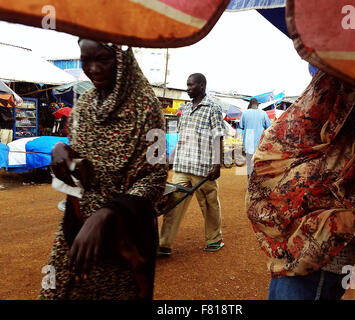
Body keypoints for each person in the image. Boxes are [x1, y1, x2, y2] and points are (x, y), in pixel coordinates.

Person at [38, 39, 168, 300]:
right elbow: (78, 164)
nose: (94, 69)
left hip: (124, 241)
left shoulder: (147, 109)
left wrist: (107, 214)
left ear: (121, 59)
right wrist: (61, 152)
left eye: (103, 59)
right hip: (76, 229)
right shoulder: (83, 107)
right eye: (86, 60)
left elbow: (156, 178)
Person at [246, 70, 355, 300]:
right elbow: (262, 192)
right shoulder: (284, 136)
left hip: (338, 264)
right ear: (336, 98)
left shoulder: (351, 140)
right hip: (306, 269)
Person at [158, 73, 225, 257]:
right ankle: (164, 244)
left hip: (203, 168)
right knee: (173, 205)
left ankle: (214, 240)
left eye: (191, 85)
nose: (187, 88)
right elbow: (181, 137)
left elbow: (218, 136)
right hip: (182, 165)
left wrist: (217, 165)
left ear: (202, 85)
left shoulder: (213, 108)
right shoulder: (185, 109)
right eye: (187, 85)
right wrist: (171, 159)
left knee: (209, 204)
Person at [239, 98, 271, 177]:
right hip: (259, 143)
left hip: (248, 142)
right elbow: (269, 127)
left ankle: (249, 181)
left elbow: (241, 126)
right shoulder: (263, 113)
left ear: (250, 104)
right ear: (257, 105)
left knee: (249, 164)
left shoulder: (245, 113)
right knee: (258, 164)